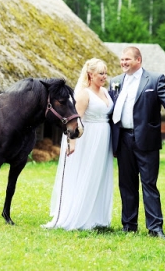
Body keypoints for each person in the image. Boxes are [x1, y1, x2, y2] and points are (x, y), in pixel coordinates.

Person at [109, 46, 165, 240]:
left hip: (146, 140)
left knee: (149, 184)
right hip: (122, 139)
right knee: (126, 184)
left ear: (138, 60)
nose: (123, 62)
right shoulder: (115, 82)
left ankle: (155, 228)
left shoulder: (155, 79)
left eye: (127, 59)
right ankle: (129, 225)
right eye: (122, 59)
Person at [42, 58, 114, 230]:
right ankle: (80, 216)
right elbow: (75, 122)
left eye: (105, 73)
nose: (104, 76)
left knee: (99, 175)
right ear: (90, 74)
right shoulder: (83, 94)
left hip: (104, 139)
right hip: (87, 139)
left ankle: (97, 217)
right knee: (86, 173)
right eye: (100, 73)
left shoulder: (105, 91)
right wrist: (71, 143)